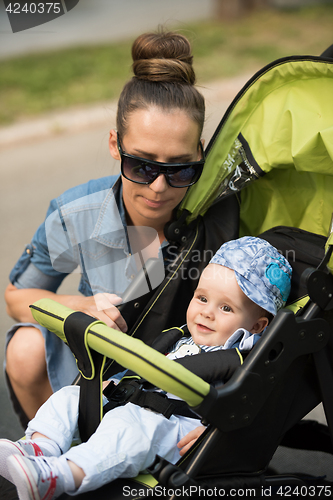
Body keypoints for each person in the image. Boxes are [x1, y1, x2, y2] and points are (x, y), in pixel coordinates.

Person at [4, 29, 210, 425]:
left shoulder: (221, 215)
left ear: (201, 152)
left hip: (183, 382)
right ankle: (55, 462)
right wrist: (79, 307)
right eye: (142, 165)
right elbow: (17, 298)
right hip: (96, 369)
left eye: (181, 168)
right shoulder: (76, 211)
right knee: (26, 349)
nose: (159, 187)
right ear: (115, 145)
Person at [0, 236, 292, 499]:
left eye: (226, 308)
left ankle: (57, 477)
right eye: (202, 298)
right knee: (69, 397)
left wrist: (215, 430)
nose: (206, 312)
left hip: (170, 428)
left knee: (125, 433)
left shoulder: (241, 355)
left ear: (256, 326)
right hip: (132, 403)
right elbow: (143, 369)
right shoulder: (179, 337)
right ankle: (39, 447)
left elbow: (245, 405)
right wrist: (114, 385)